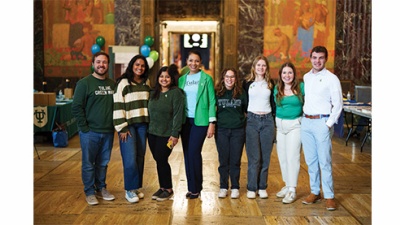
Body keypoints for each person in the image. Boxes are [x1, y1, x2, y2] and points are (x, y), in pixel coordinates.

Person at [301, 46, 343, 211]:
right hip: (306, 122)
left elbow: (338, 104)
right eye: (314, 57)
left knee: (324, 160)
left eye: (321, 58)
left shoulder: (332, 79)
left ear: (325, 59)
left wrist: (328, 124)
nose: (317, 61)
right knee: (311, 161)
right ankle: (314, 191)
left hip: (322, 122)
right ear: (310, 58)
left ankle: (329, 196)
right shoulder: (306, 77)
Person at [71, 52, 116, 205]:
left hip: (108, 131)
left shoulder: (112, 84)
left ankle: (101, 188)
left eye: (104, 62)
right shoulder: (85, 83)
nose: (101, 65)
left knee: (103, 163)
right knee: (89, 163)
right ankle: (89, 191)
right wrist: (84, 128)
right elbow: (77, 106)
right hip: (90, 132)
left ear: (108, 65)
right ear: (93, 64)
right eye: (98, 62)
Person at [178, 50, 216, 199]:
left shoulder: (206, 78)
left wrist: (212, 123)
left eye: (196, 61)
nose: (193, 64)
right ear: (186, 61)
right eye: (191, 60)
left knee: (194, 152)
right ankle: (192, 187)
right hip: (185, 121)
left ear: (200, 63)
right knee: (187, 154)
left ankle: (197, 187)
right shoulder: (181, 79)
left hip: (200, 120)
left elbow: (212, 101)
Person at [113, 54, 151, 203]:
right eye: (137, 65)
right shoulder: (123, 83)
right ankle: (129, 190)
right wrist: (121, 127)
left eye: (142, 66)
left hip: (142, 125)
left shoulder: (147, 82)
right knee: (129, 158)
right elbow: (117, 105)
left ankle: (135, 187)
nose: (139, 68)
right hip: (127, 126)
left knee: (139, 158)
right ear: (131, 66)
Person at [148, 65, 185, 201]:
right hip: (152, 133)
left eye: (167, 77)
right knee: (158, 159)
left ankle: (168, 188)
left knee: (162, 158)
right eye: (161, 76)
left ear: (172, 79)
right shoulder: (153, 92)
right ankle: (162, 187)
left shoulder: (176, 93)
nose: (164, 79)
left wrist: (175, 134)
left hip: (168, 135)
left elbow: (178, 114)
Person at [242, 55, 276, 199]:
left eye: (263, 65)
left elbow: (274, 103)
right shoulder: (247, 82)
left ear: (266, 68)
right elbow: (243, 101)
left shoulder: (270, 83)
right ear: (254, 67)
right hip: (252, 121)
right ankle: (252, 187)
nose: (261, 68)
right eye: (258, 65)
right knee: (254, 157)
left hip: (268, 121)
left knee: (265, 157)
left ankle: (262, 186)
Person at [273, 62, 304, 204]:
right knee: (283, 158)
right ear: (280, 75)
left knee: (292, 157)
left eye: (290, 72)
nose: (287, 75)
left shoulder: (301, 88)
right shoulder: (276, 89)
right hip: (280, 127)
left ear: (294, 74)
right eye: (284, 73)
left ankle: (292, 189)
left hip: (295, 126)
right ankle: (287, 184)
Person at [214, 68, 247, 199]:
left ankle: (235, 187)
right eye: (227, 76)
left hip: (238, 130)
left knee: (235, 160)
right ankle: (223, 186)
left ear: (236, 79)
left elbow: (246, 110)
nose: (229, 79)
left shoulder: (241, 93)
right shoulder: (217, 93)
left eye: (232, 77)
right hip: (221, 130)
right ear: (223, 78)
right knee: (223, 160)